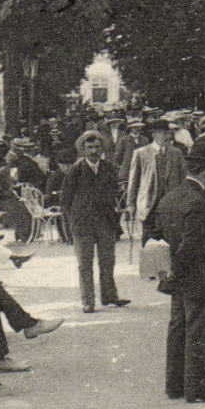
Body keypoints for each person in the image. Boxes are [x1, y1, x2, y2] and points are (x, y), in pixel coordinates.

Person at [148, 139, 205, 404]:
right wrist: (179, 271)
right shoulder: (199, 202)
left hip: (178, 279)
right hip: (198, 277)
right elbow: (191, 245)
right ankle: (197, 387)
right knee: (198, 332)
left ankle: (175, 384)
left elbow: (155, 237)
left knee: (177, 329)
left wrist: (169, 274)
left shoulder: (170, 197)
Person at [60, 129, 129, 315]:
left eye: (97, 147)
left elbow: (115, 194)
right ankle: (88, 301)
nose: (93, 151)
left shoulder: (109, 168)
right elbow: (65, 200)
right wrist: (72, 224)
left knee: (107, 261)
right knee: (85, 263)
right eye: (89, 147)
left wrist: (115, 218)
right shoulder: (75, 170)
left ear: (102, 148)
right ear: (83, 149)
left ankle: (109, 297)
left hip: (105, 223)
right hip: (82, 224)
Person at [125, 118, 185, 245]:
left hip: (170, 208)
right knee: (148, 245)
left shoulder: (176, 153)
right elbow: (133, 182)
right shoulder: (141, 153)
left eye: (168, 133)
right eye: (163, 133)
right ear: (154, 134)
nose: (167, 136)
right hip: (149, 207)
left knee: (172, 243)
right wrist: (131, 205)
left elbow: (183, 179)